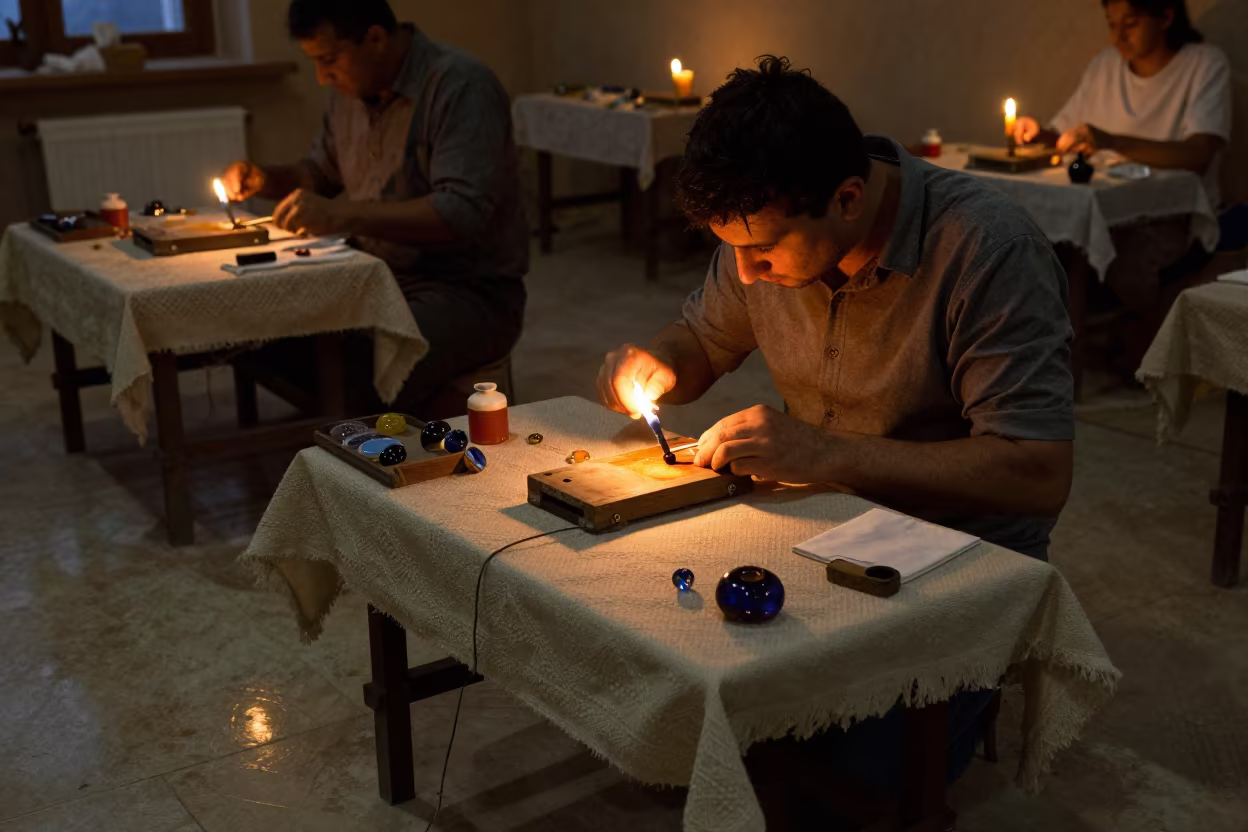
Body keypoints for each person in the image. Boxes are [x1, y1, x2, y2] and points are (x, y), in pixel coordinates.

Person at [598, 55, 1074, 817]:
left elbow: (1038, 471)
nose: (747, 274)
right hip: (823, 525)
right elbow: (701, 339)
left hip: (956, 558)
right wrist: (656, 363)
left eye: (763, 252)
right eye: (733, 250)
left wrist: (824, 454)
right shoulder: (762, 218)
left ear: (847, 199)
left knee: (855, 781)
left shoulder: (987, 250)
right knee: (663, 699)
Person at [222, 0, 528, 416]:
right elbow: (320, 173)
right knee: (263, 329)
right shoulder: (351, 93)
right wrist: (265, 179)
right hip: (375, 275)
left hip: (465, 291)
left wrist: (342, 215)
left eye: (329, 59)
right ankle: (334, 425)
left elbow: (461, 213)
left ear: (376, 38)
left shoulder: (460, 86)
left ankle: (360, 438)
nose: (321, 76)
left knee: (360, 363)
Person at [1013, 0, 1230, 371]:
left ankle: (1079, 360)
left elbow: (1199, 153)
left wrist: (1112, 141)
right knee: (1034, 236)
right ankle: (1044, 359)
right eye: (1111, 24)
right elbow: (1069, 132)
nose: (1118, 36)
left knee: (1082, 248)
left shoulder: (1202, 64)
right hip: (1103, 202)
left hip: (1168, 213)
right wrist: (1041, 135)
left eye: (1130, 23)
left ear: (1165, 16)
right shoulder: (1105, 66)